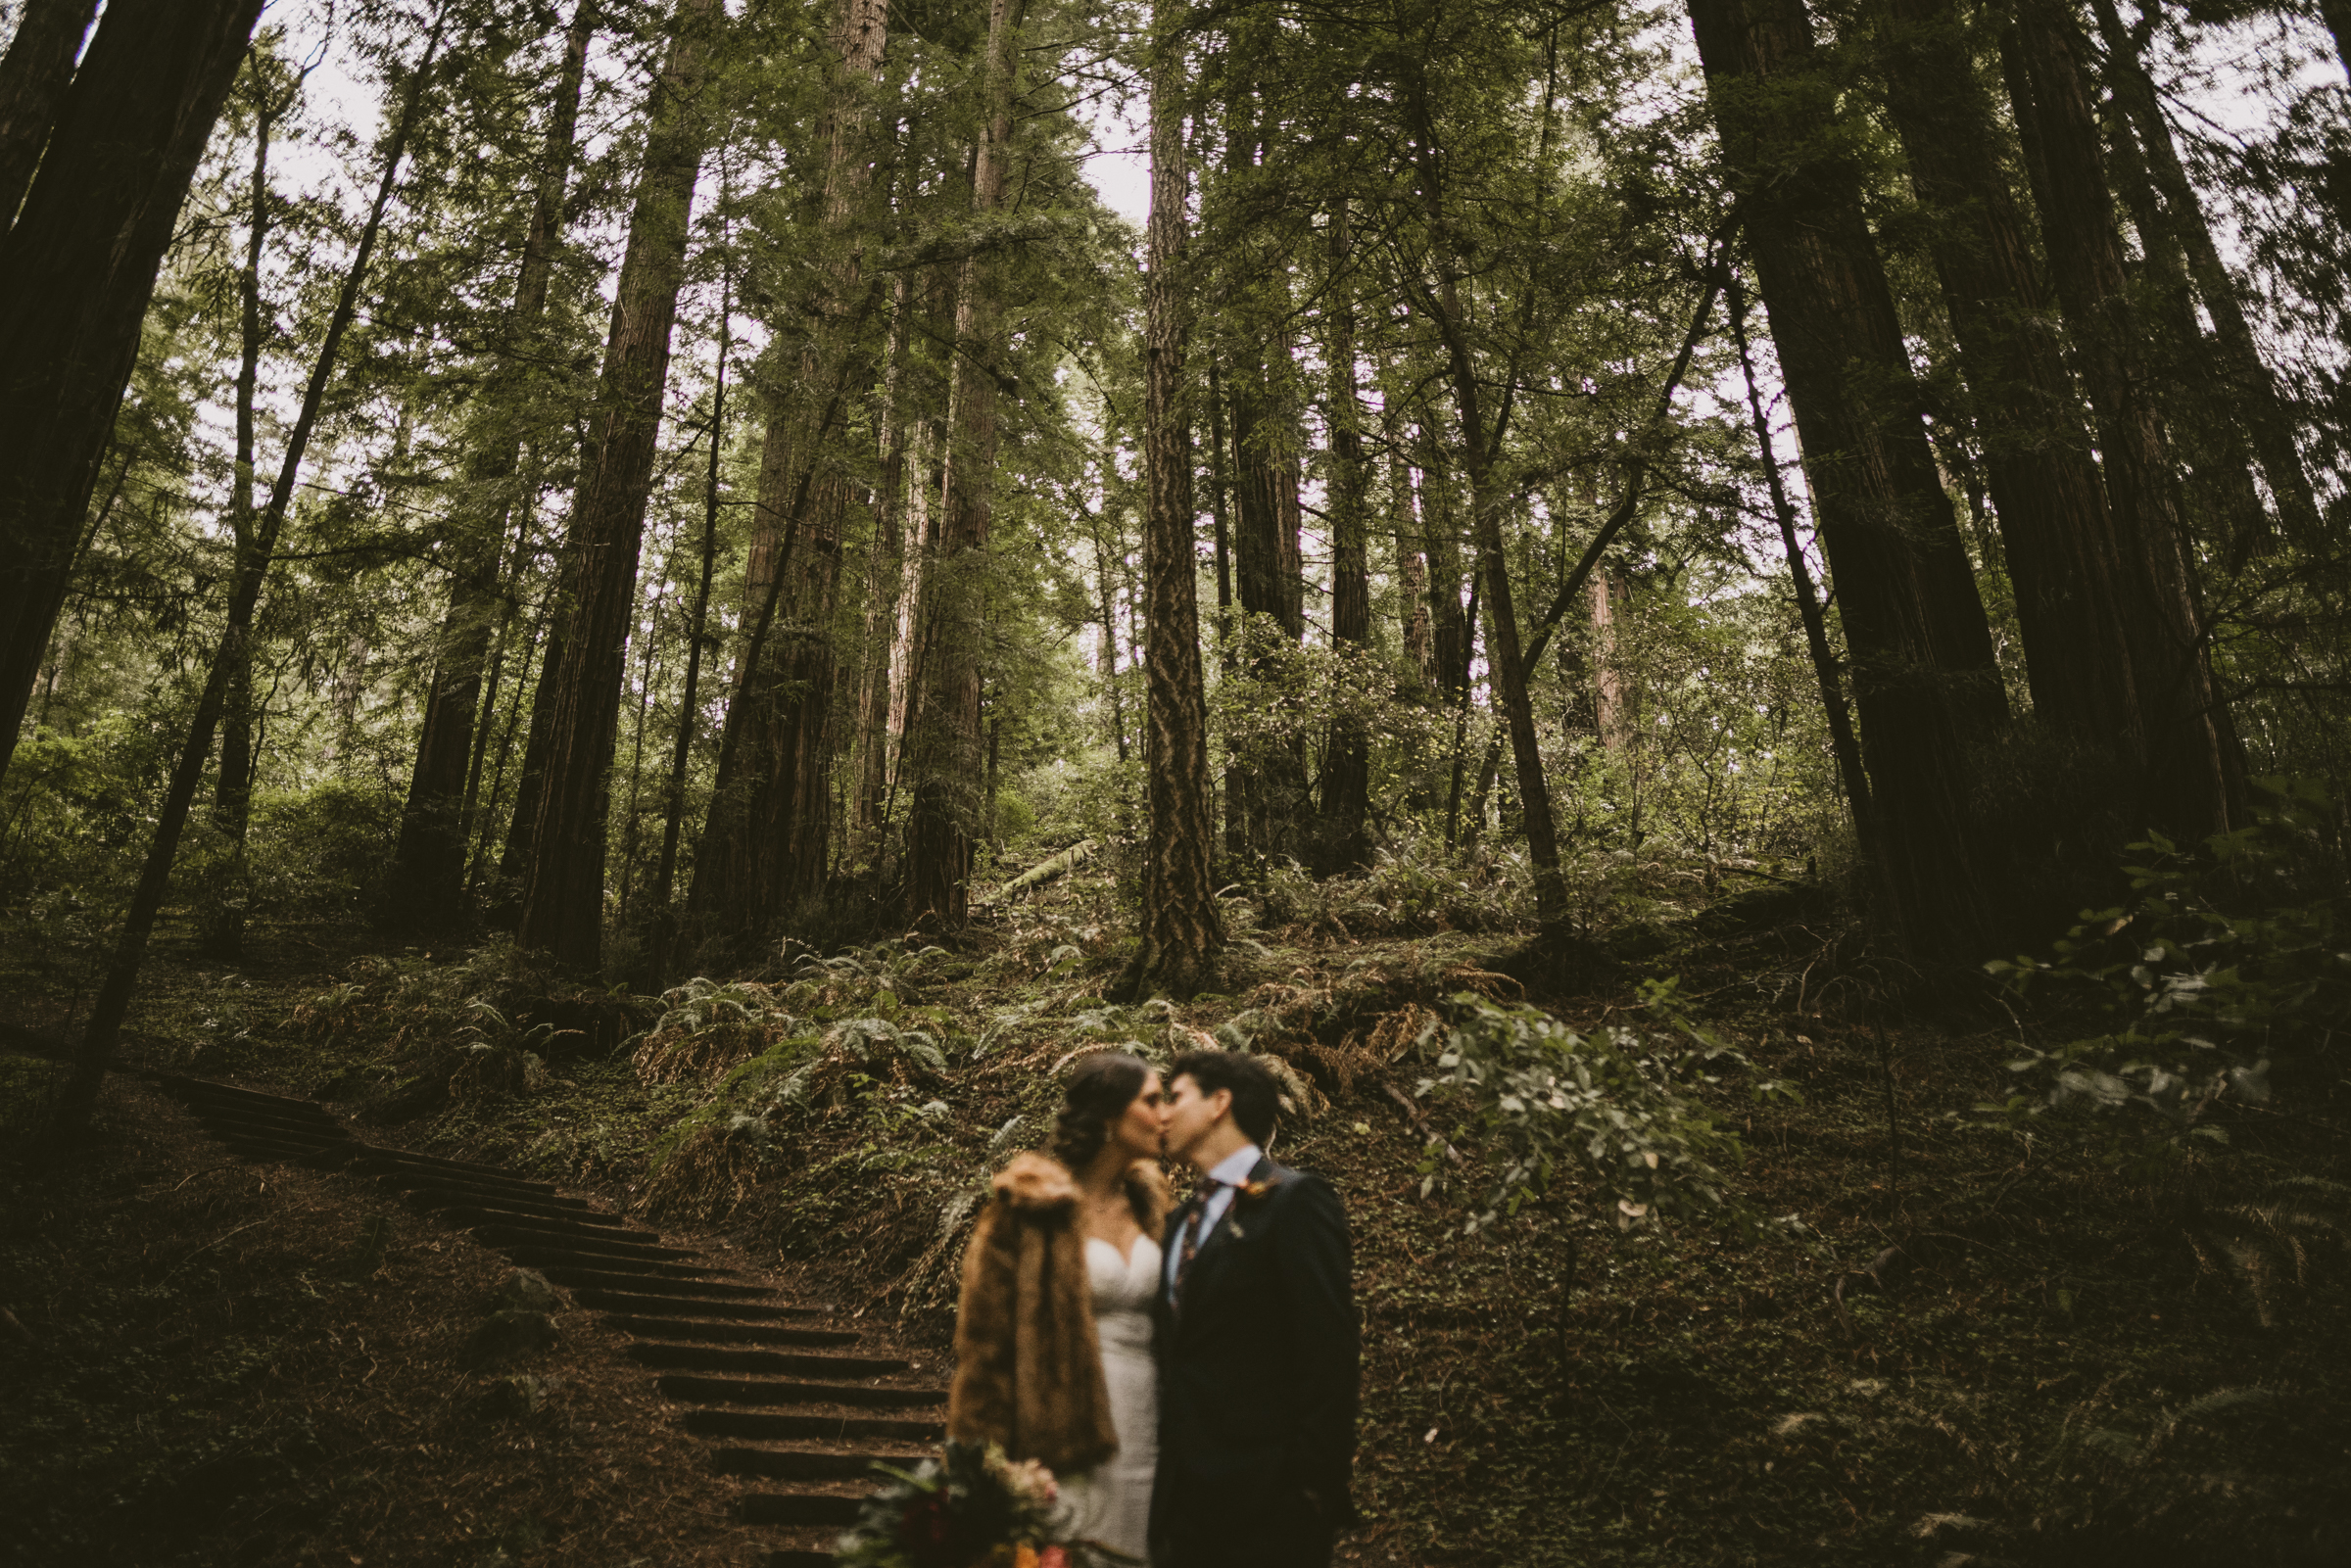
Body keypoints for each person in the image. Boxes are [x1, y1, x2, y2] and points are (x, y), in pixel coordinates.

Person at [947, 1051, 1171, 1561]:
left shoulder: (1154, 1206)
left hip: (1156, 1423)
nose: (1166, 1114)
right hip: (1063, 1433)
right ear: (1110, 1116)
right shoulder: (1028, 1210)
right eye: (1152, 1100)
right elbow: (984, 1351)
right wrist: (982, 1467)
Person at [1151, 1050, 1359, 1568]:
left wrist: (1311, 1486)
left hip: (1271, 1500)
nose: (1161, 1114)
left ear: (1220, 1102)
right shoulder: (1180, 1222)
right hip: (1184, 1502)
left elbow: (1328, 1346)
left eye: (1175, 1097)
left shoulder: (1295, 1201)